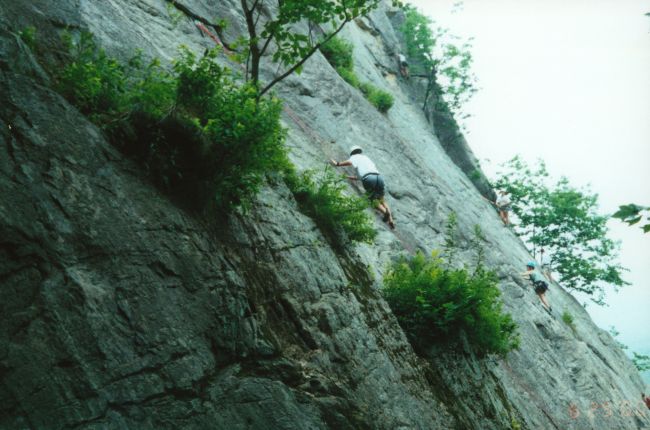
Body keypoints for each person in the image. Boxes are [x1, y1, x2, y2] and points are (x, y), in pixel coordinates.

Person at [331, 146, 395, 229]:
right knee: (382, 199)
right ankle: (391, 219)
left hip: (369, 179)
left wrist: (338, 164)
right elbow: (358, 177)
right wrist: (348, 177)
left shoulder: (354, 157)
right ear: (359, 151)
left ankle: (384, 212)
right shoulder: (366, 158)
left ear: (352, 153)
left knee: (373, 199)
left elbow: (349, 162)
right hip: (379, 177)